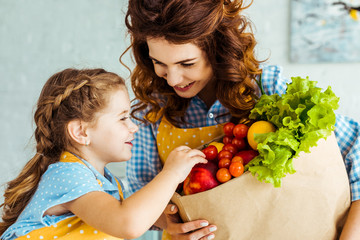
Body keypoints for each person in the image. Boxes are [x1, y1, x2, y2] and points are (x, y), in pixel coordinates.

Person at [122, 0, 360, 239]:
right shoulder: (151, 112)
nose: (172, 79)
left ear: (217, 47)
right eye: (159, 63)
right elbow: (138, 196)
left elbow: (356, 147)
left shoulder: (267, 89)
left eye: (187, 63)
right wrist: (170, 224)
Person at [0, 68, 208, 240]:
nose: (134, 127)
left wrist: (167, 223)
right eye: (122, 118)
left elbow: (122, 214)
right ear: (81, 132)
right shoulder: (67, 174)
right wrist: (171, 173)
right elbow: (126, 223)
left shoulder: (103, 183)